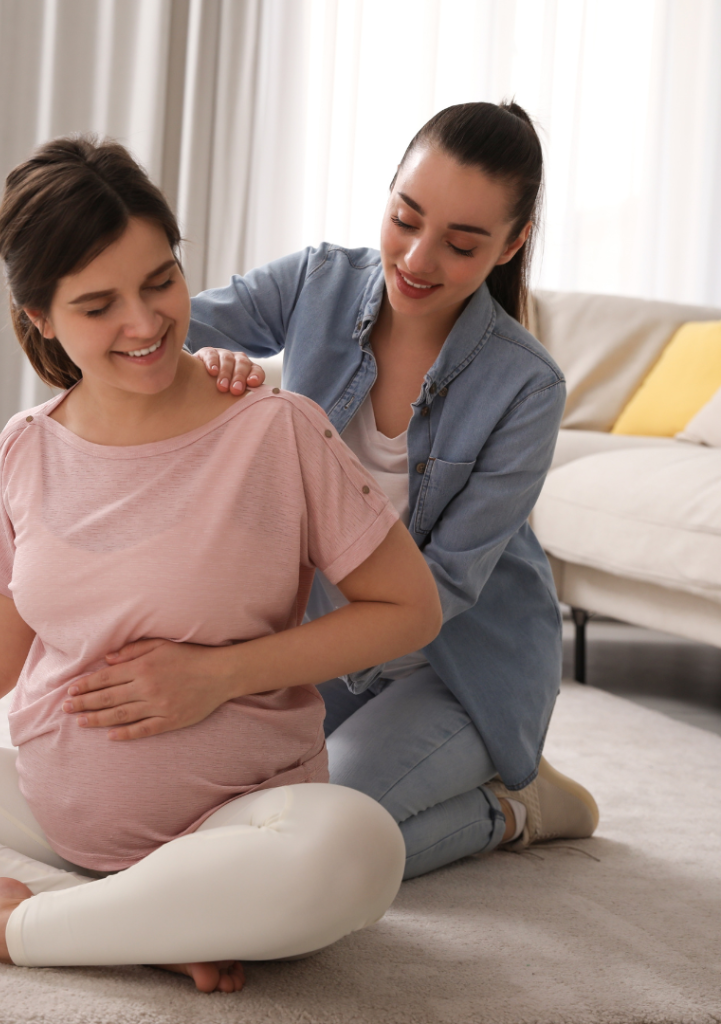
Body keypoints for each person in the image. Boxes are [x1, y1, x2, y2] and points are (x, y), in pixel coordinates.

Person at [0, 137, 443, 993]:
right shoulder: (26, 449)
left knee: (357, 850)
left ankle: (2, 925)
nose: (145, 323)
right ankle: (119, 922)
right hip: (49, 811)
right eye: (99, 305)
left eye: (160, 281)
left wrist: (218, 675)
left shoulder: (274, 430)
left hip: (241, 818)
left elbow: (409, 610)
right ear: (39, 317)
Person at [56, 102, 599, 880]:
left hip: (455, 671)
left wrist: (233, 672)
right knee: (200, 816)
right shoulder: (319, 281)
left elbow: (438, 594)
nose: (416, 257)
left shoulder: (527, 388)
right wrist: (207, 367)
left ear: (511, 245)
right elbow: (157, 335)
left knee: (309, 844)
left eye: (462, 243)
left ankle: (511, 809)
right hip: (325, 653)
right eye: (405, 217)